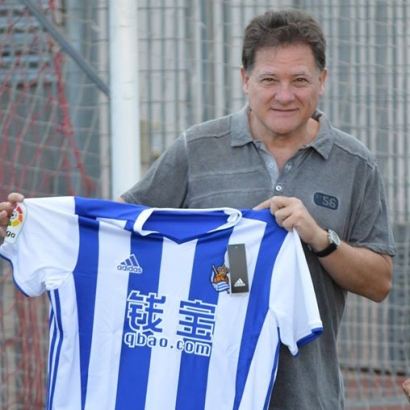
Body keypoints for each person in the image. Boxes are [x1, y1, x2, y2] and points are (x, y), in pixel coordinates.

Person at [0, 8, 396, 410]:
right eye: (269, 80)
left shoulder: (354, 163)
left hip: (308, 397)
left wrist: (320, 239)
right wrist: (27, 225)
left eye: (300, 80)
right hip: (204, 394)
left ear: (322, 81)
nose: (284, 95)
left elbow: (380, 282)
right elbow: (115, 227)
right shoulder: (199, 148)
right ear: (244, 80)